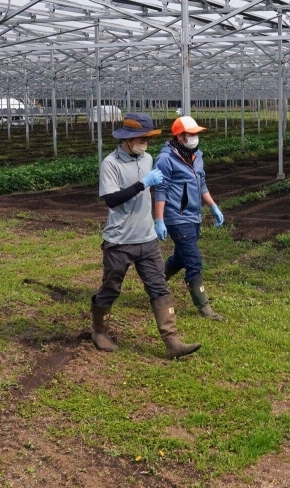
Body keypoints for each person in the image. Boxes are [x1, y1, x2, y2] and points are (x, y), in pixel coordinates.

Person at [90, 112, 201, 359]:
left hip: (147, 239)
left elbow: (159, 188)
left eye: (148, 139)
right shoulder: (111, 163)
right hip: (119, 240)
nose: (145, 144)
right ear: (127, 139)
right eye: (141, 139)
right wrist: (142, 183)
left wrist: (159, 220)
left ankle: (172, 341)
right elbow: (110, 200)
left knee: (159, 287)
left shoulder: (148, 158)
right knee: (111, 287)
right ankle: (99, 331)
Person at [153, 115, 225, 321]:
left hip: (194, 216)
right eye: (191, 134)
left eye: (196, 134)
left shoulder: (196, 156)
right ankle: (204, 307)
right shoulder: (166, 159)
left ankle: (155, 283)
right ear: (180, 136)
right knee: (193, 261)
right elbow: (160, 190)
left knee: (180, 257)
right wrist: (160, 219)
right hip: (177, 217)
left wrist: (213, 206)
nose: (195, 137)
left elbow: (201, 184)